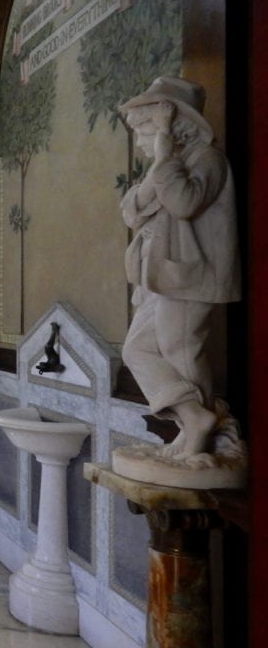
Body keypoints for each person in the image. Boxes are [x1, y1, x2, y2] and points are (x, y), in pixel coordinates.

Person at [119, 76, 241, 460]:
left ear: (172, 128)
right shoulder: (167, 164)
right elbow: (131, 210)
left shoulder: (208, 160)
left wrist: (163, 158)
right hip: (160, 277)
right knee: (137, 350)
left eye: (146, 130)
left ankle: (202, 433)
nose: (139, 140)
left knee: (181, 351)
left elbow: (185, 202)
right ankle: (193, 420)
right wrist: (161, 161)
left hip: (191, 276)